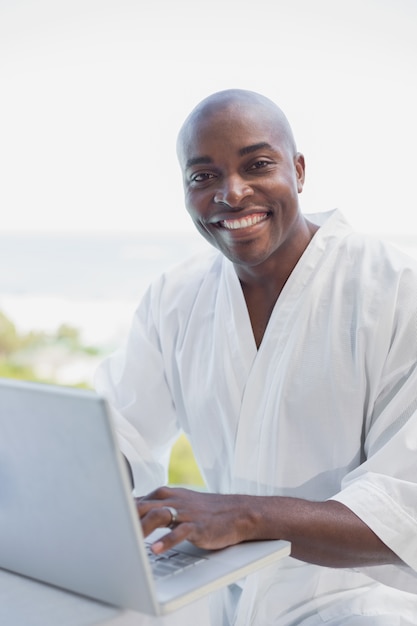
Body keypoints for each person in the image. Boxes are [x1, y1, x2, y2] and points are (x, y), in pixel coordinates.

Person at [95, 89, 417, 624]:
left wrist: (243, 514)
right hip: (225, 592)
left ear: (298, 168)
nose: (232, 192)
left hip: (365, 606)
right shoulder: (174, 298)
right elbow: (122, 434)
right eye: (203, 176)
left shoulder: (396, 290)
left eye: (257, 165)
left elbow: (405, 509)